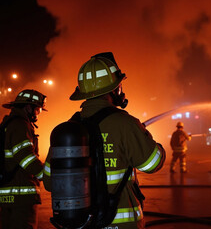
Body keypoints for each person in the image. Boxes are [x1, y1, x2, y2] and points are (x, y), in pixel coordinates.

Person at [43, 52, 166, 229]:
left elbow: (49, 182)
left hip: (81, 223)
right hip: (121, 223)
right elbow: (152, 164)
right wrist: (145, 137)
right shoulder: (125, 123)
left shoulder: (69, 130)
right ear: (114, 89)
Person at [0, 89, 47, 229]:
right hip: (21, 195)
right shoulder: (21, 125)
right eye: (37, 109)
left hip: (8, 193)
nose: (38, 113)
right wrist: (45, 174)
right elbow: (25, 156)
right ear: (28, 107)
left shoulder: (8, 124)